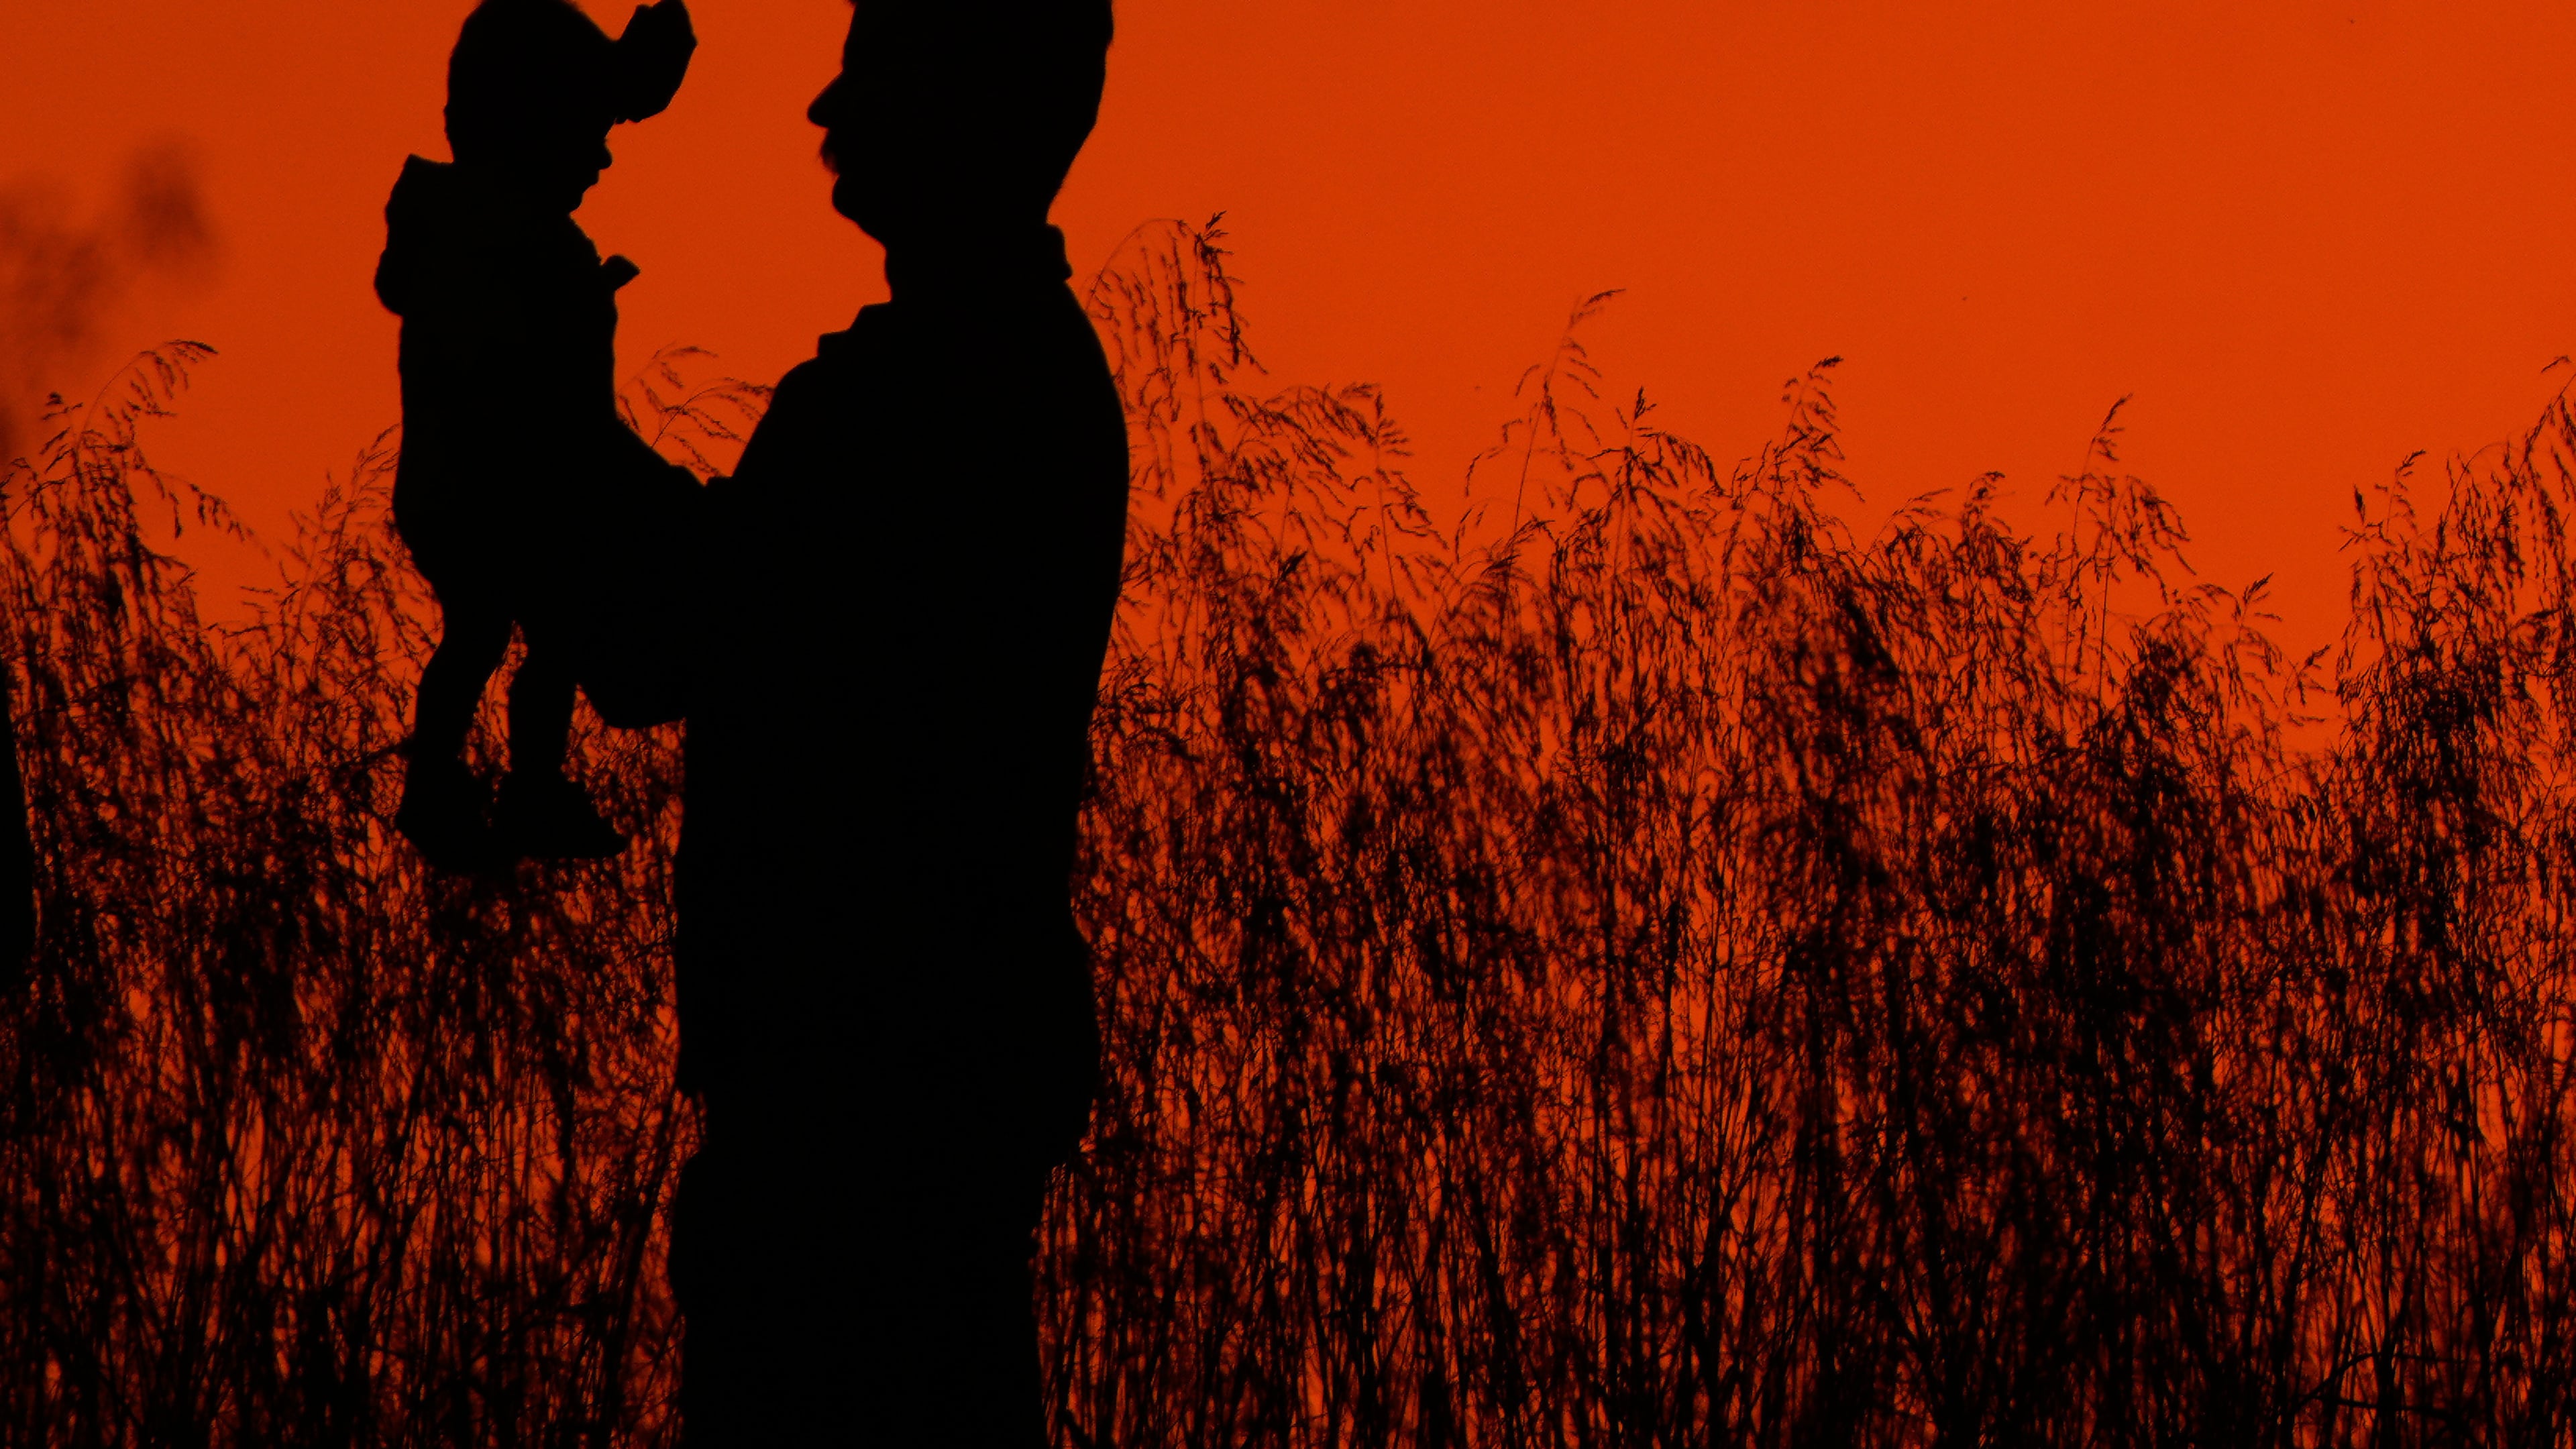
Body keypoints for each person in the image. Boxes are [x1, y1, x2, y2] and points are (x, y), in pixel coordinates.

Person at [669, 0, 1127, 1442]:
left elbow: (692, 625)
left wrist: (529, 452)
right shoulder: (1008, 375)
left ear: (961, 112)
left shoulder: (927, 397)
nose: (826, 107)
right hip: (908, 1075)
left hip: (859, 1092)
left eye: (869, 74)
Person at [375, 0, 702, 872]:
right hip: (505, 498)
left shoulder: (457, 237)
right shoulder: (530, 255)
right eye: (589, 129)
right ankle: (523, 786)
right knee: (546, 627)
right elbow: (573, 424)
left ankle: (457, 778)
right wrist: (667, 504)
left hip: (453, 492)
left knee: (480, 631)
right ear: (533, 123)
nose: (600, 155)